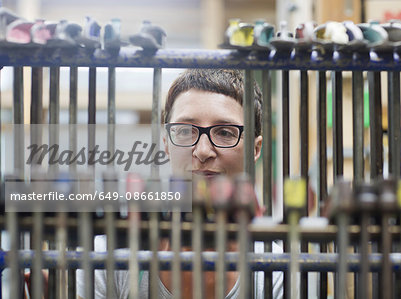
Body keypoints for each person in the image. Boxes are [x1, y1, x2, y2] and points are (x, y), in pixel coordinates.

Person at [77, 69, 283, 298]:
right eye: (185, 131)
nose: (203, 151)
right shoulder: (110, 252)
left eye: (225, 132)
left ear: (255, 149)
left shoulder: (275, 268)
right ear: (166, 143)